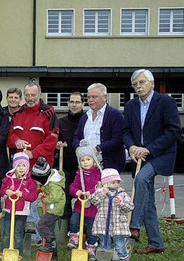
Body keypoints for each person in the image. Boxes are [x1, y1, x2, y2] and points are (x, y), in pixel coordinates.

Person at [123, 69, 181, 254]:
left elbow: (173, 130)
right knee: (147, 200)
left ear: (152, 83)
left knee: (141, 179)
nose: (138, 86)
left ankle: (134, 226)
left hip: (160, 154)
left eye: (141, 82)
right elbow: (126, 131)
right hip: (139, 156)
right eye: (135, 84)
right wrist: (131, 147)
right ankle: (156, 243)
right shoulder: (131, 106)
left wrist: (150, 149)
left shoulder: (166, 102)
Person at [7, 82, 58, 238]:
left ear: (39, 95)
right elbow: (9, 137)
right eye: (27, 95)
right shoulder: (17, 114)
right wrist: (15, 140)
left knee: (35, 201)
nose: (30, 98)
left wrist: (33, 153)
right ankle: (29, 234)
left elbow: (52, 141)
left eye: (33, 95)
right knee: (24, 200)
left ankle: (38, 234)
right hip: (21, 168)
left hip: (40, 168)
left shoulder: (48, 113)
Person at [73, 83, 126, 171]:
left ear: (104, 97)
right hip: (87, 167)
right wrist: (77, 146)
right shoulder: (85, 117)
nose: (90, 100)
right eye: (89, 97)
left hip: (109, 167)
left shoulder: (115, 115)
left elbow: (118, 140)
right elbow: (76, 136)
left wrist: (98, 149)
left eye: (94, 97)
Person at [90, 168, 134, 261]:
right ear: (105, 183)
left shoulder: (121, 194)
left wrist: (122, 203)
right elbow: (93, 200)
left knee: (119, 245)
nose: (116, 185)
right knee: (105, 244)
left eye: (118, 182)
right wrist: (102, 192)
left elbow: (130, 207)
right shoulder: (100, 193)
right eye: (113, 182)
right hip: (103, 224)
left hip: (118, 225)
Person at [0, 152, 38, 259]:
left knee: (18, 233)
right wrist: (7, 191)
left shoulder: (30, 182)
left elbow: (33, 196)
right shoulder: (8, 179)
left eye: (23, 165)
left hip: (22, 212)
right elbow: (1, 191)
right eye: (18, 165)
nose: (21, 168)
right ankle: (3, 250)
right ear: (14, 167)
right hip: (9, 210)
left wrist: (23, 194)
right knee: (6, 232)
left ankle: (18, 252)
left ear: (27, 167)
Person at [67, 140, 102, 260]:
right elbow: (72, 187)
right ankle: (74, 237)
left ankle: (91, 247)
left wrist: (90, 192)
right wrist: (76, 192)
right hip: (79, 205)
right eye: (82, 160)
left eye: (88, 159)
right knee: (74, 220)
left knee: (91, 228)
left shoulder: (99, 174)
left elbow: (100, 189)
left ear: (94, 160)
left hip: (92, 207)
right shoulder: (79, 174)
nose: (85, 162)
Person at [57, 91, 84, 220]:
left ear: (83, 104)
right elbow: (54, 139)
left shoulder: (87, 121)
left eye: (77, 102)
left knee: (83, 198)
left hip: (83, 168)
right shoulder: (61, 122)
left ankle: (82, 229)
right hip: (66, 166)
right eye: (72, 102)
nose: (74, 105)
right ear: (68, 103)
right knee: (65, 198)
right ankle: (65, 228)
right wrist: (57, 143)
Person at [31, 157, 65, 261]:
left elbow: (54, 197)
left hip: (55, 209)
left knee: (41, 224)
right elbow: (46, 186)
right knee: (49, 228)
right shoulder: (50, 180)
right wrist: (40, 190)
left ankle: (49, 242)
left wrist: (43, 198)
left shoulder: (54, 184)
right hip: (52, 208)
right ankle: (53, 253)